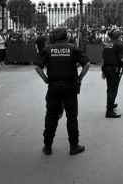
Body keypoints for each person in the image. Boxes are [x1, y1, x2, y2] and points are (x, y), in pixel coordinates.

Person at [35, 27, 90, 156]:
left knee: (51, 116)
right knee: (71, 117)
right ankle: (74, 146)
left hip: (53, 87)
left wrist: (46, 80)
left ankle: (47, 146)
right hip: (70, 86)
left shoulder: (48, 49)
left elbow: (37, 66)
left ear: (54, 36)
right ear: (66, 36)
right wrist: (79, 79)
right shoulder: (73, 48)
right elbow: (87, 64)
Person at [101, 28, 123, 118]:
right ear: (119, 36)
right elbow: (122, 59)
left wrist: (102, 71)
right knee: (113, 90)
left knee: (110, 89)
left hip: (106, 68)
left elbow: (103, 58)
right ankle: (109, 111)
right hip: (114, 70)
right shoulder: (120, 45)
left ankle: (111, 104)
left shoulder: (107, 44)